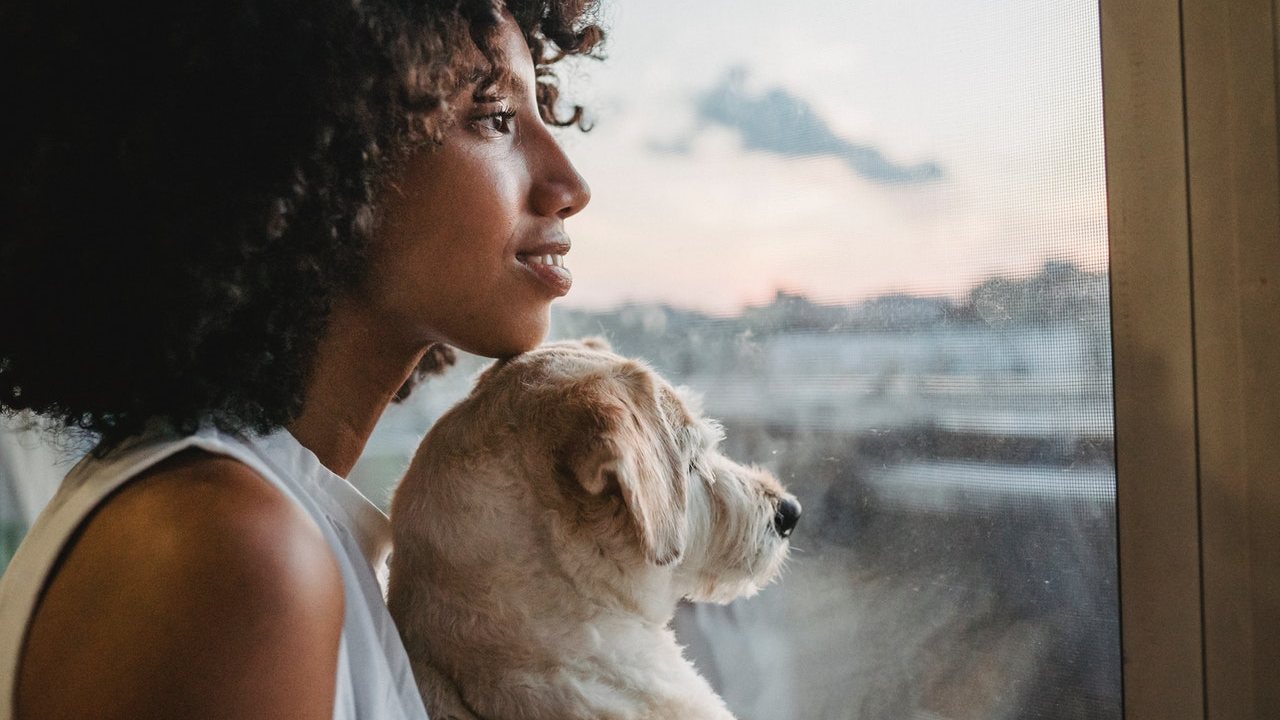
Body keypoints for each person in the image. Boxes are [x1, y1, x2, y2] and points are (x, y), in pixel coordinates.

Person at [0, 0, 600, 717]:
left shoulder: (248, 515)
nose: (570, 186)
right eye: (495, 118)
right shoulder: (232, 555)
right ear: (329, 145)